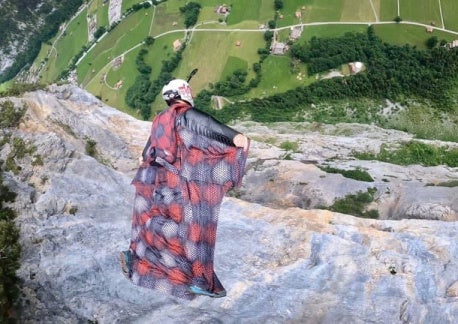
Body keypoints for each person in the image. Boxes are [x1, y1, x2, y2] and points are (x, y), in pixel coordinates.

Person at [120, 78, 249, 299]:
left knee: (161, 228)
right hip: (179, 189)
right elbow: (208, 126)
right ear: (184, 93)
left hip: (158, 187)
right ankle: (199, 280)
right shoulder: (185, 114)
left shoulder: (160, 122)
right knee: (194, 231)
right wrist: (237, 138)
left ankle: (143, 261)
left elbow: (146, 155)